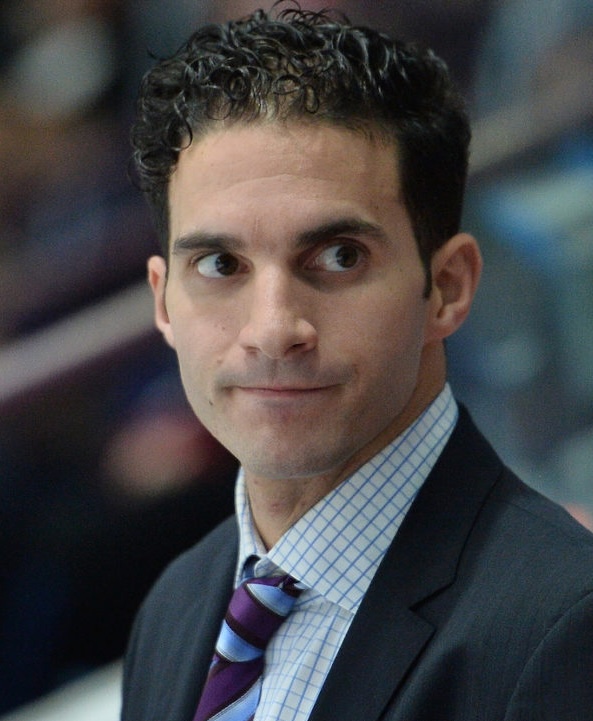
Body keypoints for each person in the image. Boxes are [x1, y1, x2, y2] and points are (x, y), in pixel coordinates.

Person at [121, 5, 593, 721]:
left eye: (340, 257)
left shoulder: (562, 625)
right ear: (163, 302)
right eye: (219, 264)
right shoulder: (175, 605)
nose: (273, 329)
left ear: (449, 287)